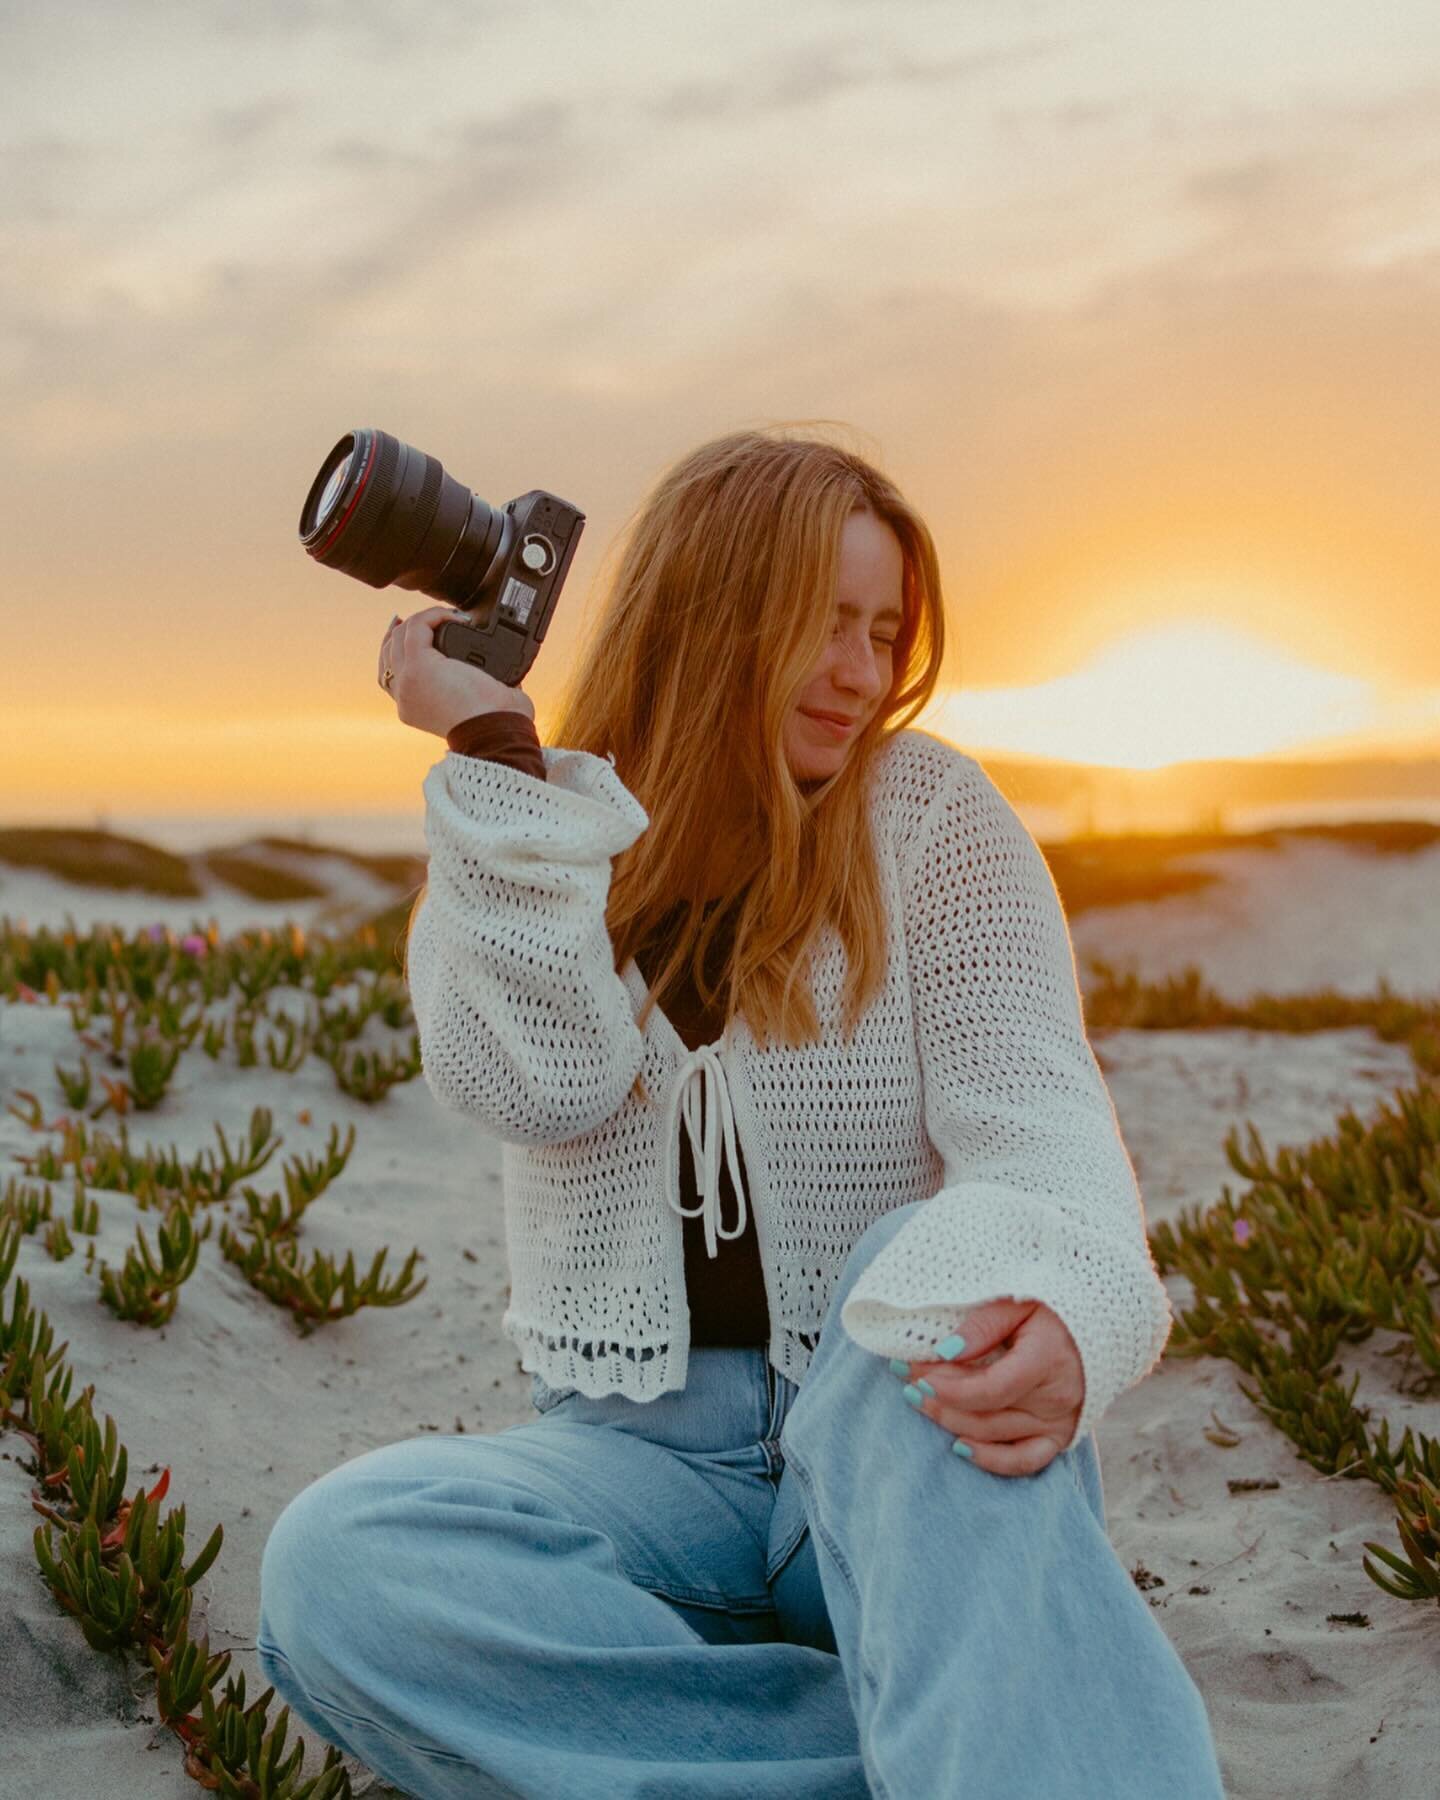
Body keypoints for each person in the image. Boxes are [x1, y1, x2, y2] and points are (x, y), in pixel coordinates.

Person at [256, 424, 1226, 1798]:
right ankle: (962, 1739)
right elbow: (535, 1082)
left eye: (886, 630)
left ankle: (976, 1729)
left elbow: (1042, 1123)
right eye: (824, 623)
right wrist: (490, 749)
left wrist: (1072, 1298)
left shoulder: (934, 820)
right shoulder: (535, 830)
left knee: (931, 1267)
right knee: (339, 1561)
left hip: (892, 1448)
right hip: (641, 1471)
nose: (862, 674)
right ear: (714, 614)